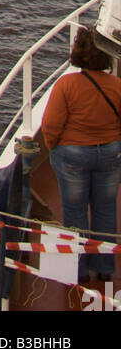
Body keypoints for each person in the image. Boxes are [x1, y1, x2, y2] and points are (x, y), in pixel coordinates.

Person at [42, 25, 121, 285]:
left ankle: (80, 271)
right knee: (106, 210)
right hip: (109, 154)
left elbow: (51, 127)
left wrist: (55, 148)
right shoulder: (117, 86)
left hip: (73, 156)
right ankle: (105, 267)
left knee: (75, 213)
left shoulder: (66, 85)